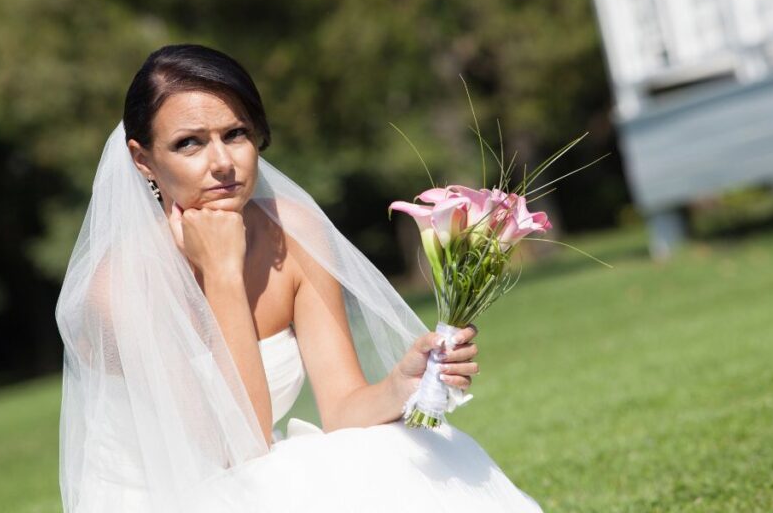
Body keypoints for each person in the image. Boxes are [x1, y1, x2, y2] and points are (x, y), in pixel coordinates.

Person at [55, 44, 542, 512]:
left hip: (254, 477)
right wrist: (224, 271)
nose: (222, 162)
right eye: (189, 143)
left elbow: (343, 408)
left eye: (236, 134)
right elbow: (235, 450)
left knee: (400, 450)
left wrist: (402, 384)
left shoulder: (292, 232)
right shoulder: (119, 286)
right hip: (170, 497)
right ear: (144, 160)